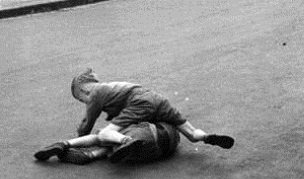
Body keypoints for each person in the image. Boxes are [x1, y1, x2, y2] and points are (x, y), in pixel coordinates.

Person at [33, 69, 235, 164]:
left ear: (82, 89)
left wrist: (81, 131)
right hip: (158, 99)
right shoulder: (111, 88)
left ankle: (126, 141)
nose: (84, 101)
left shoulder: (95, 94)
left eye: (80, 98)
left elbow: (88, 123)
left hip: (139, 102)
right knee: (190, 132)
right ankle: (206, 137)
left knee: (105, 134)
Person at [34, 121, 180, 165]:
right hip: (157, 152)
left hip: (148, 133)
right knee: (113, 148)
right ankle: (92, 155)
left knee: (102, 136)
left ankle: (65, 144)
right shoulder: (174, 131)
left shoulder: (149, 113)